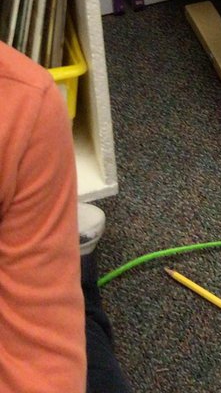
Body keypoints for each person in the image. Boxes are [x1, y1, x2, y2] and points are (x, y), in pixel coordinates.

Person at [0, 40, 132, 393]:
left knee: (64, 330)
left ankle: (67, 266)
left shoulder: (22, 101)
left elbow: (43, 362)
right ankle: (75, 270)